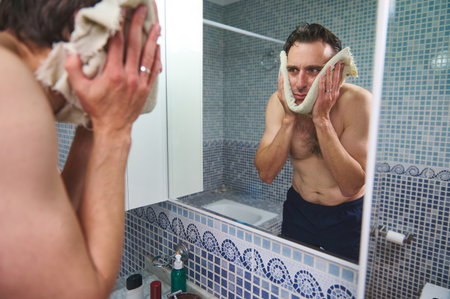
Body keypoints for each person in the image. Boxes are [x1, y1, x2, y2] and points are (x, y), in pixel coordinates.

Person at [0, 0, 161, 298]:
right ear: (92, 33)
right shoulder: (9, 88)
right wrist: (114, 130)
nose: (156, 67)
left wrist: (97, 122)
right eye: (140, 44)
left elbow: (57, 239)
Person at [254, 23, 371, 262]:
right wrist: (289, 119)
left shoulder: (358, 103)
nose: (299, 83)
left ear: (335, 70)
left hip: (346, 215)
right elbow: (266, 174)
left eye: (313, 70)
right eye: (293, 70)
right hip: (299, 210)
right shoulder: (279, 104)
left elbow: (351, 185)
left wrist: (322, 119)